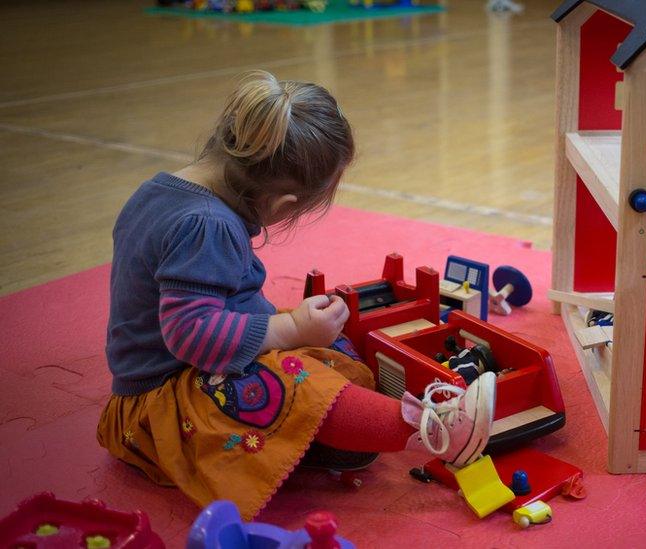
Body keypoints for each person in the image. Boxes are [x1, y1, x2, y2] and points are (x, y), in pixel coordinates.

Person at [97, 70, 496, 520]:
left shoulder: (159, 190)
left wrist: (295, 327)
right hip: (162, 408)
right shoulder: (206, 225)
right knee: (295, 382)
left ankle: (320, 438)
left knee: (317, 345)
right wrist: (287, 329)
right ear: (282, 205)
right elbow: (193, 337)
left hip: (182, 373)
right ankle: (435, 431)